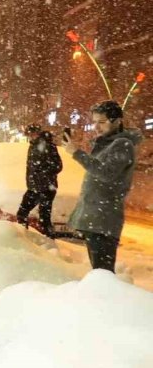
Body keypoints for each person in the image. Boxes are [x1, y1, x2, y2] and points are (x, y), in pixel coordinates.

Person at [60, 100, 143, 273]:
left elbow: (105, 173)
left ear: (117, 121)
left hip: (104, 219)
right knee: (99, 272)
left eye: (102, 122)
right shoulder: (107, 144)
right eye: (95, 122)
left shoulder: (123, 144)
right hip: (96, 218)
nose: (97, 127)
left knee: (103, 274)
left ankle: (105, 299)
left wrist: (77, 153)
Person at [16, 125, 63, 237]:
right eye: (29, 134)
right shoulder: (33, 145)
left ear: (38, 133)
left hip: (46, 188)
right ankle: (24, 238)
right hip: (34, 187)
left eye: (32, 134)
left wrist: (43, 174)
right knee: (22, 213)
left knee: (43, 218)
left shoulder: (48, 146)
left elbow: (58, 165)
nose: (30, 137)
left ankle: (49, 242)